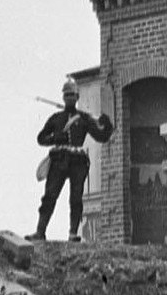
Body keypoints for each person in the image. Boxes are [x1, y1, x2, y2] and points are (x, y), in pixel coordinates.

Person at [29, 80, 112, 242]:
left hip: (77, 162)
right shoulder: (56, 118)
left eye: (72, 95)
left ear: (77, 97)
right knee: (49, 196)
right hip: (58, 160)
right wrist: (55, 138)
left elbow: (101, 137)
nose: (69, 98)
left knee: (76, 198)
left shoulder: (84, 119)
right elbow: (41, 138)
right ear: (63, 97)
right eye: (67, 95)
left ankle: (73, 233)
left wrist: (107, 125)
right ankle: (40, 231)